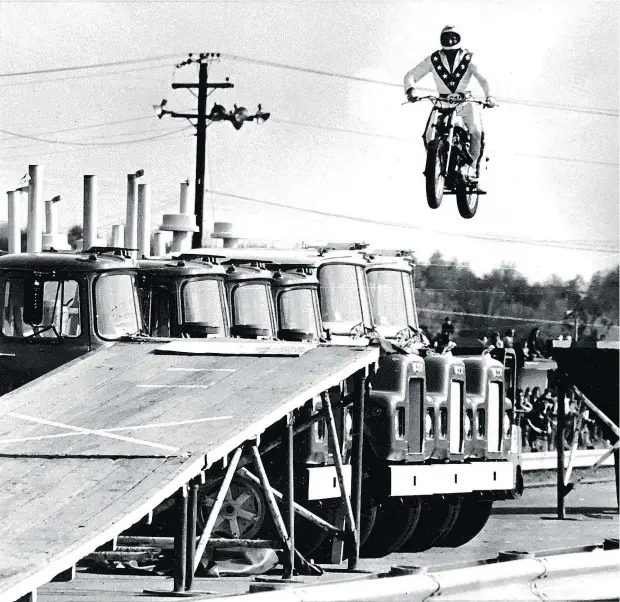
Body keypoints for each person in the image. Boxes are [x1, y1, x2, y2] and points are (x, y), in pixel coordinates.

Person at [403, 25, 496, 188]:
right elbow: (411, 75)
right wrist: (410, 90)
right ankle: (436, 168)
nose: (450, 40)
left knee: (476, 131)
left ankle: (474, 169)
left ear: (460, 38)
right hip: (442, 102)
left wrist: (490, 96)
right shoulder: (434, 58)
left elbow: (484, 79)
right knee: (428, 135)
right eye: (446, 37)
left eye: (453, 37)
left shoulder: (469, 58)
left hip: (465, 101)